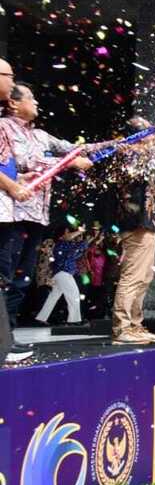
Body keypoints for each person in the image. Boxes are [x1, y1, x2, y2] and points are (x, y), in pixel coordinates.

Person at [0, 83, 93, 335]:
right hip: (11, 214)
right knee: (4, 277)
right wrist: (68, 163)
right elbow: (27, 161)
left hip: (36, 216)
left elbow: (74, 149)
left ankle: (8, 338)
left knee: (22, 279)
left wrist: (117, 145)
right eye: (31, 98)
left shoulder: (41, 135)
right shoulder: (4, 128)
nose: (37, 103)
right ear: (14, 103)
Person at [111, 117, 155, 344]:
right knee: (132, 277)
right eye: (148, 132)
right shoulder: (129, 153)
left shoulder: (144, 155)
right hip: (136, 224)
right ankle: (122, 327)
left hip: (147, 224)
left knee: (144, 277)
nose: (154, 136)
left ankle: (135, 325)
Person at [36, 225, 94, 325]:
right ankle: (74, 320)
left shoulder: (67, 245)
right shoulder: (61, 243)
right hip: (63, 273)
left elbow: (76, 253)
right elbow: (71, 246)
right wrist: (80, 233)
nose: (71, 235)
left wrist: (88, 240)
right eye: (67, 232)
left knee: (53, 297)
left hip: (62, 273)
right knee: (74, 295)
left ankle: (41, 318)